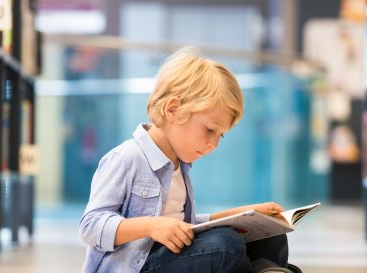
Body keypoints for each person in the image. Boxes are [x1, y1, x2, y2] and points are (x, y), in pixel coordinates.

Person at [79, 47, 296, 273]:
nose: (214, 144)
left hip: (167, 261)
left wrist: (242, 216)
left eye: (220, 134)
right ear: (173, 109)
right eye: (209, 129)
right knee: (224, 246)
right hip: (136, 267)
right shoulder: (126, 157)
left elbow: (182, 225)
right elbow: (90, 226)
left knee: (271, 234)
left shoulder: (179, 166)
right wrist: (151, 226)